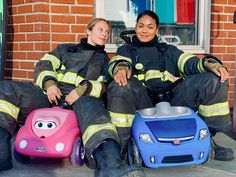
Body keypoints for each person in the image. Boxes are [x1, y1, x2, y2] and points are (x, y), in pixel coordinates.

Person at [0, 18, 145, 177]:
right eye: (100, 30)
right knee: (6, 89)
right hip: (49, 95)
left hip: (82, 101)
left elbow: (104, 87)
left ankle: (111, 167)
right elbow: (44, 65)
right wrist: (49, 84)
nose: (104, 34)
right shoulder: (65, 49)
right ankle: (1, 155)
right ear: (88, 31)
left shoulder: (106, 61)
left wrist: (83, 89)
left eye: (107, 32)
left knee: (98, 120)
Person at [107, 10, 234, 162]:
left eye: (150, 27)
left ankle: (208, 141)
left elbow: (189, 63)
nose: (144, 30)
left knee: (212, 79)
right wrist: (121, 68)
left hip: (172, 101)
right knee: (120, 84)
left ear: (157, 30)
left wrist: (210, 64)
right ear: (135, 28)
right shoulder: (126, 50)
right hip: (143, 103)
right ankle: (122, 146)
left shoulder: (168, 50)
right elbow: (120, 61)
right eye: (141, 26)